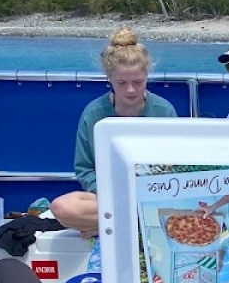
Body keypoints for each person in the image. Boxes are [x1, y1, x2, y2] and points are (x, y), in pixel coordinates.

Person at [51, 28, 177, 237]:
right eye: (122, 83)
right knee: (62, 207)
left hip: (155, 197)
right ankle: (136, 222)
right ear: (109, 78)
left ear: (147, 76)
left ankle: (109, 224)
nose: (130, 90)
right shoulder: (93, 114)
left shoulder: (164, 111)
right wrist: (110, 193)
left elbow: (175, 165)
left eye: (137, 82)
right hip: (110, 198)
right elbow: (84, 168)